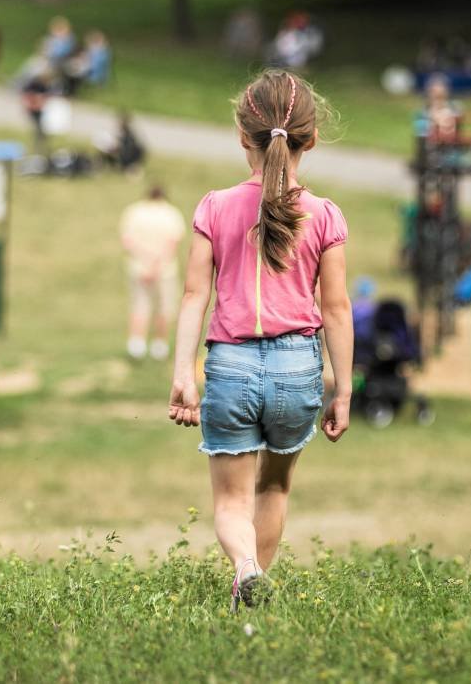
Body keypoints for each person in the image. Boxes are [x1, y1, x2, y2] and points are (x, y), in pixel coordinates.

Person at [168, 69, 352, 610]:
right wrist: (342, 388)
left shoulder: (214, 207)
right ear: (310, 139)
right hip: (298, 368)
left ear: (242, 136)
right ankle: (254, 591)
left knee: (230, 501)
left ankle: (246, 569)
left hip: (229, 369)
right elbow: (336, 309)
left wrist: (184, 373)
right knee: (273, 488)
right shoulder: (324, 215)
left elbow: (192, 297)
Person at [119, 186, 187, 361]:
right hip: (164, 268)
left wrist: (145, 261)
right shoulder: (171, 213)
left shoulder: (134, 211)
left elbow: (128, 241)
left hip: (138, 267)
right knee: (163, 307)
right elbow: (172, 243)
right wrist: (156, 263)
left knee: (139, 305)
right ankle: (159, 346)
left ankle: (136, 346)